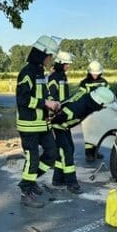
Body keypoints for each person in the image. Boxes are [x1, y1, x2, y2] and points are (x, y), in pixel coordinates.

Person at [15, 35, 61, 208]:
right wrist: (45, 104)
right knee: (32, 159)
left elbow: (43, 94)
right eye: (51, 56)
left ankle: (30, 180)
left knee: (51, 154)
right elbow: (23, 99)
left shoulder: (40, 71)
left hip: (43, 124)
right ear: (43, 54)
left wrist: (52, 102)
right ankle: (26, 192)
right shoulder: (27, 72)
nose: (52, 60)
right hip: (29, 125)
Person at [47, 51, 81, 193]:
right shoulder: (54, 78)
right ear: (61, 63)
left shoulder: (62, 77)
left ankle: (57, 178)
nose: (68, 66)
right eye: (67, 64)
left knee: (69, 148)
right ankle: (72, 183)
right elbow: (51, 99)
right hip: (56, 120)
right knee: (66, 150)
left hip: (63, 119)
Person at [79, 60, 109, 162]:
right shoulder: (84, 83)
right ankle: (89, 153)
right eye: (93, 73)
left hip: (100, 111)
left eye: (97, 73)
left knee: (98, 132)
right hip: (87, 111)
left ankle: (95, 151)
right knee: (88, 132)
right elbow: (81, 97)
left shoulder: (104, 82)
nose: (95, 75)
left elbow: (108, 95)